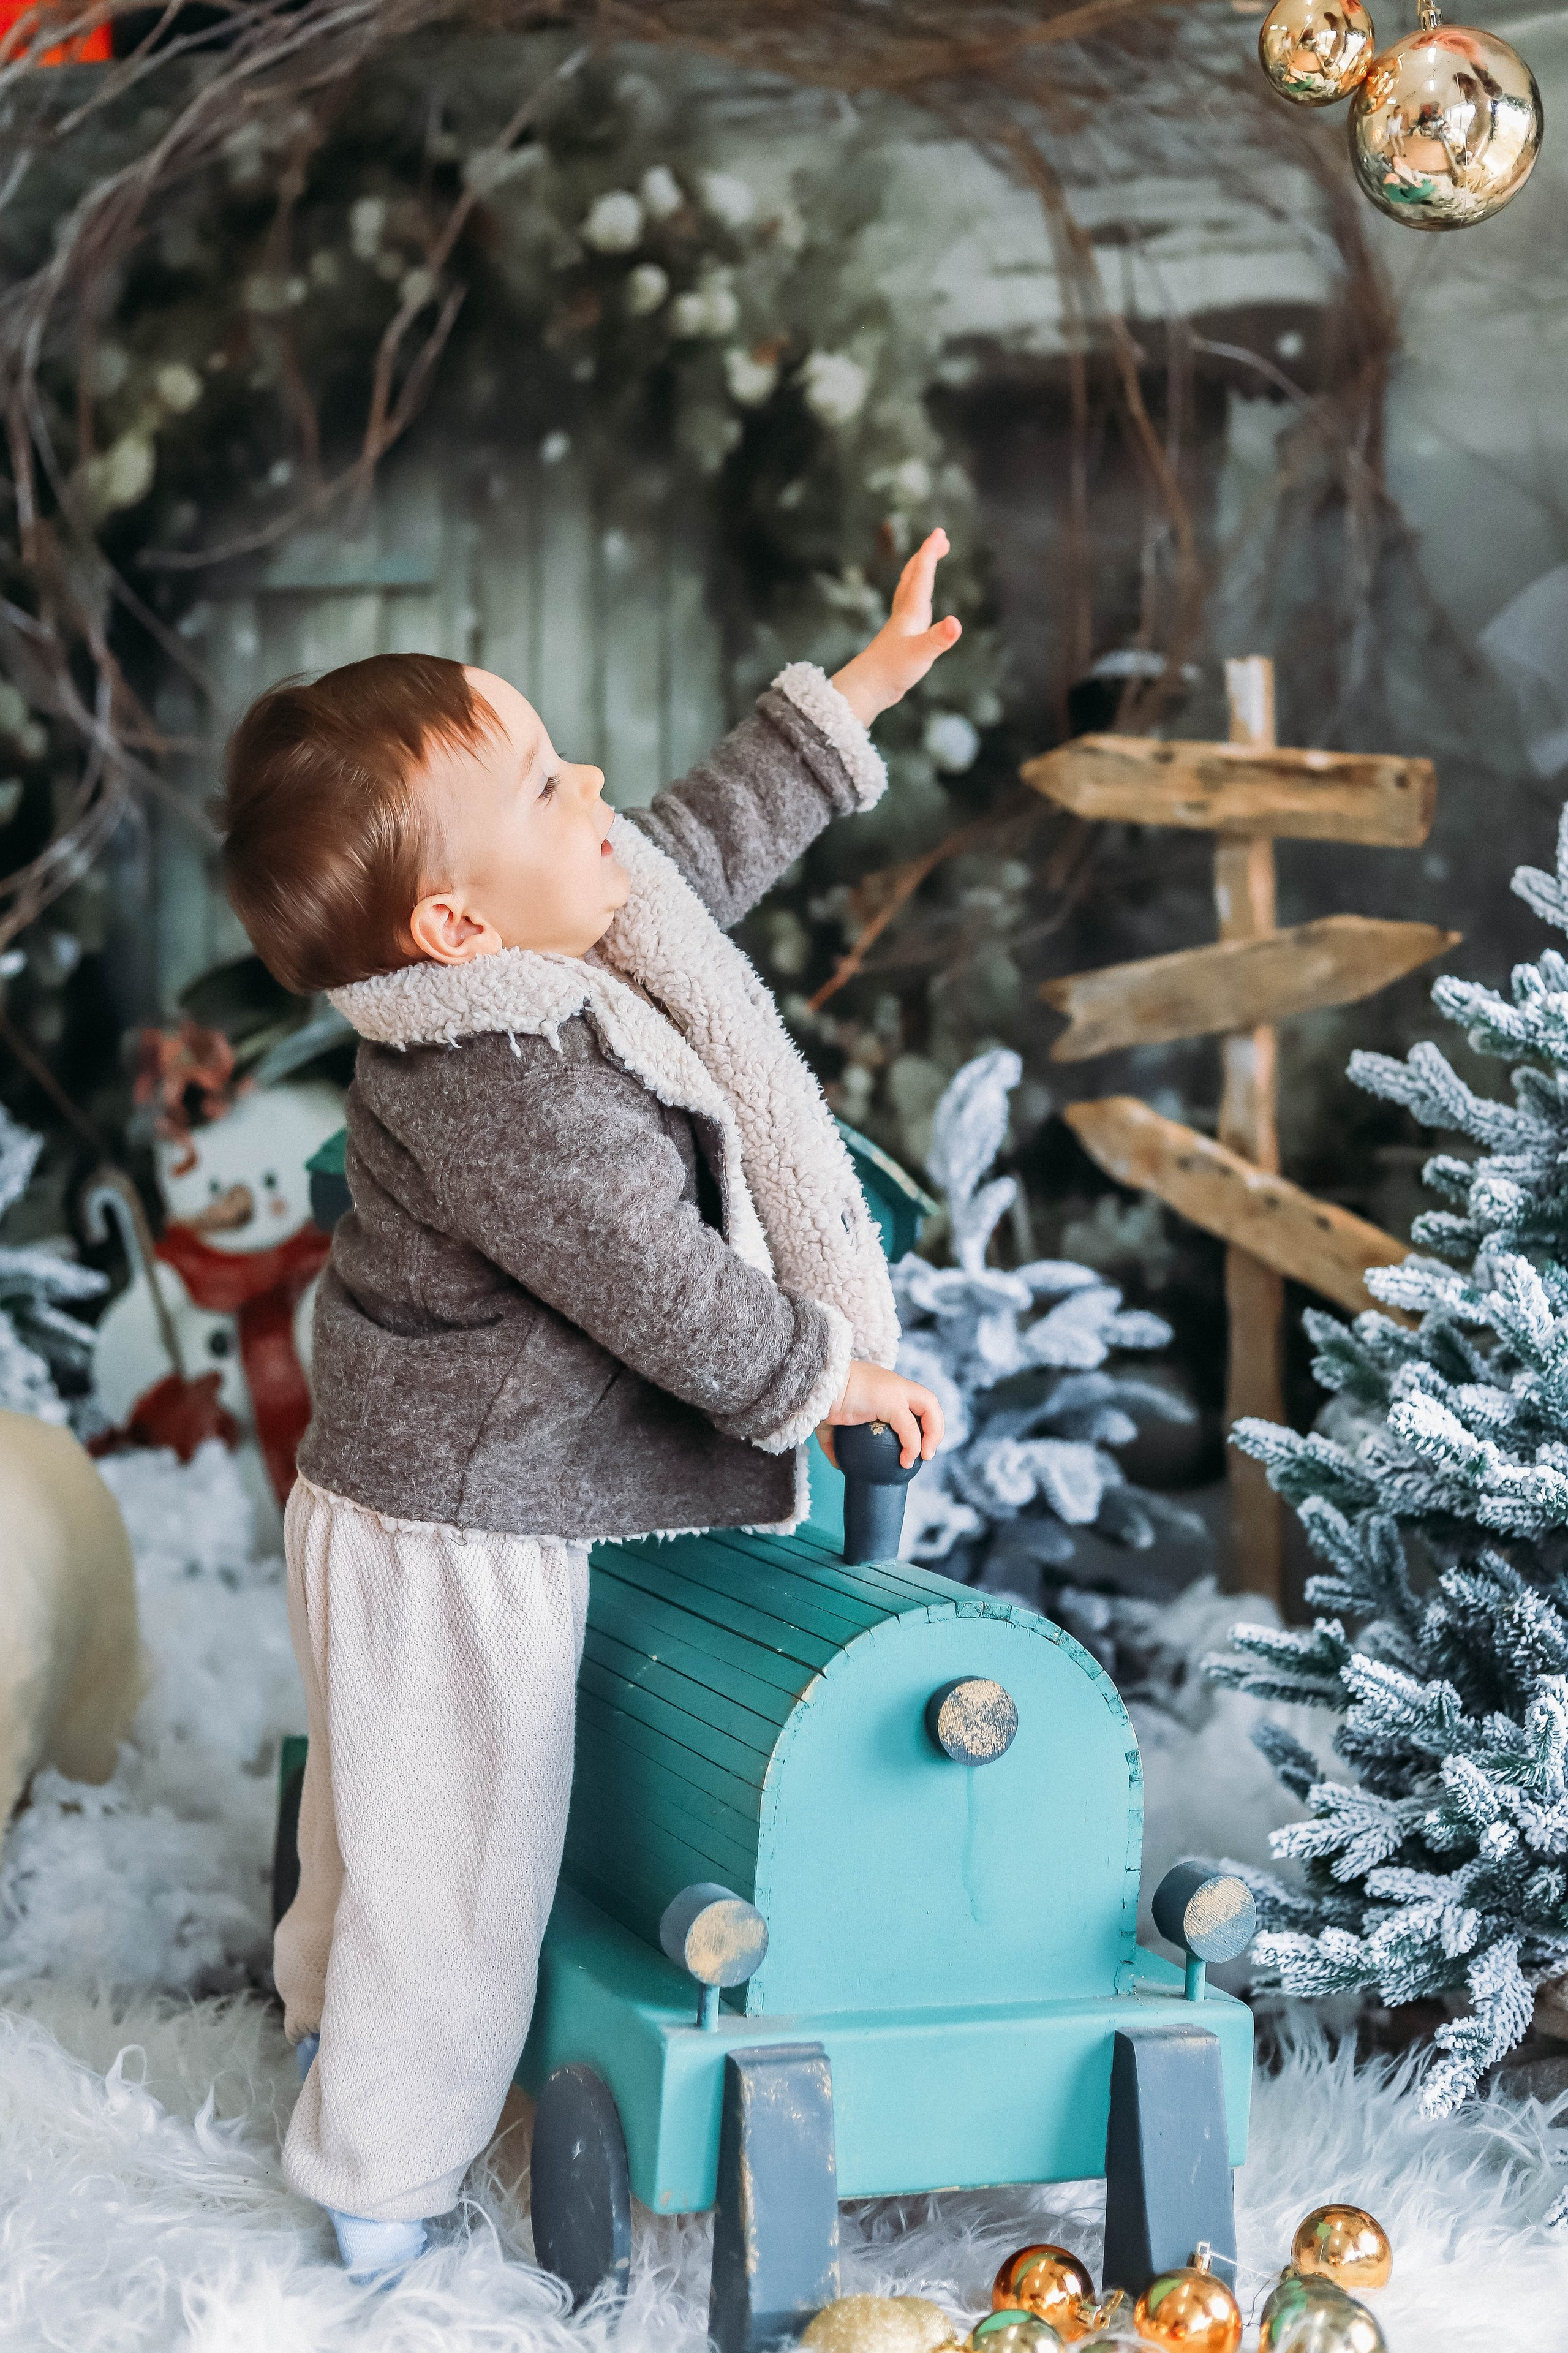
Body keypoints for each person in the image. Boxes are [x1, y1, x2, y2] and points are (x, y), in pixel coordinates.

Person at [216, 526, 956, 2279]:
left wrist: (845, 702)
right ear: (460, 925)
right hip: (454, 1530)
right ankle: (380, 2170)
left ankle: (324, 2010)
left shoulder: (555, 939)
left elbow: (685, 846)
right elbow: (659, 1284)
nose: (596, 788)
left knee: (379, 1816)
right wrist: (820, 1367)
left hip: (416, 1493)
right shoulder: (495, 1081)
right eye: (549, 781)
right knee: (460, 1860)